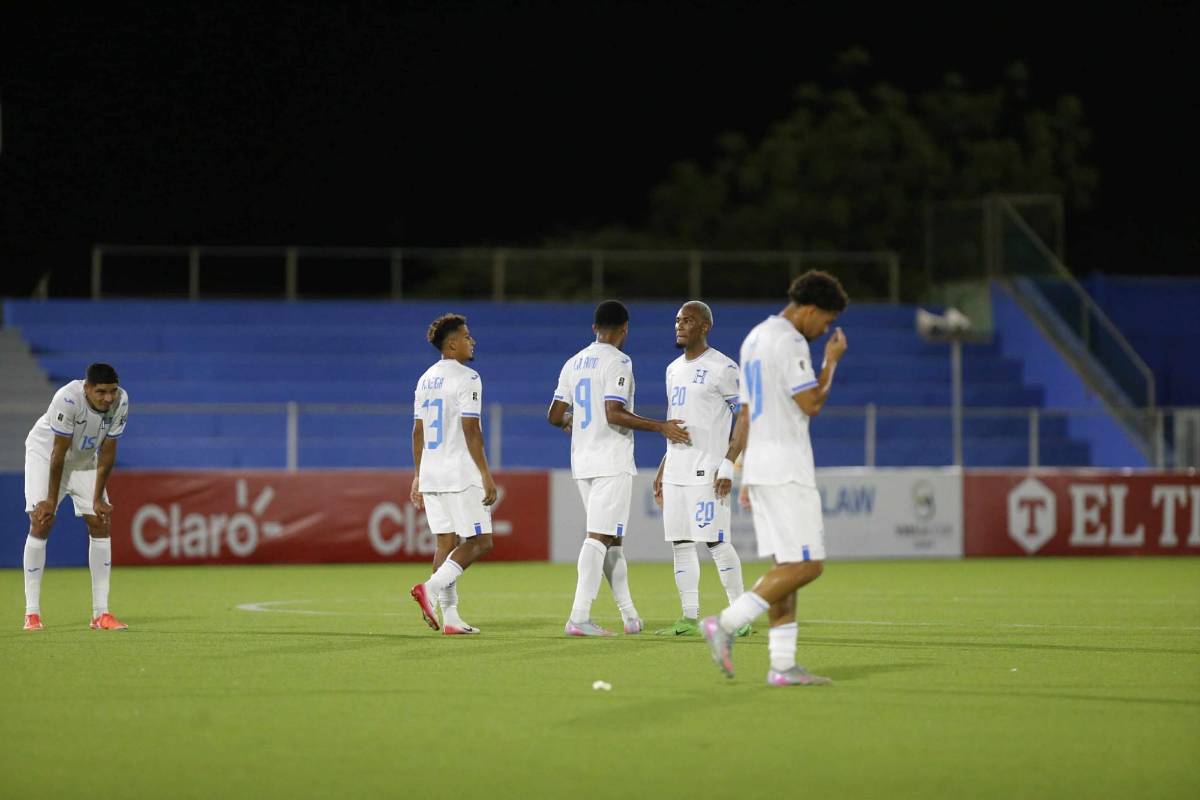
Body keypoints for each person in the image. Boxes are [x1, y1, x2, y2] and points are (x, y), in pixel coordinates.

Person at [701, 270, 848, 686]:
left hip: (762, 466)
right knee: (807, 565)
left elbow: (747, 413)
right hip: (786, 468)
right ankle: (725, 623)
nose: (825, 330)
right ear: (810, 310)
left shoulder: (754, 339)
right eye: (826, 321)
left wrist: (743, 470)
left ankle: (782, 665)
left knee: (786, 566)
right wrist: (831, 362)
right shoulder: (790, 341)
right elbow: (811, 403)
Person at [547, 299, 691, 636]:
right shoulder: (619, 361)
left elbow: (554, 415)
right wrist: (661, 426)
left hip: (582, 460)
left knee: (612, 539)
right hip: (610, 459)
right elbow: (614, 412)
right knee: (599, 537)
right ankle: (579, 617)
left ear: (594, 328)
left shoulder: (573, 362)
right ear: (625, 329)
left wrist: (572, 421)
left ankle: (630, 616)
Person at [652, 301, 752, 637]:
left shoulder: (722, 367)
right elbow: (677, 423)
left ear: (705, 326)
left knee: (715, 542)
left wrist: (728, 463)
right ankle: (688, 617)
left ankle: (740, 616)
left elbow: (746, 418)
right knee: (680, 542)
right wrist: (663, 466)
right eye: (678, 320)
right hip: (676, 470)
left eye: (688, 321)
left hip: (707, 471)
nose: (680, 326)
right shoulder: (672, 369)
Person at [22, 363, 130, 631]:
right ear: (87, 388)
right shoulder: (67, 399)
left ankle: (101, 614)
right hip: (45, 455)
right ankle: (32, 613)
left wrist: (98, 498)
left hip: (84, 460)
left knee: (100, 521)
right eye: (101, 392)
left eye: (112, 391)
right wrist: (50, 500)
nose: (108, 398)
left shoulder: (121, 401)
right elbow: (58, 454)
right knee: (42, 521)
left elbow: (108, 452)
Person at [409, 314, 497, 635]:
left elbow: (418, 432)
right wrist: (485, 474)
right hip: (460, 472)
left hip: (432, 472)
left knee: (445, 542)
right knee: (481, 541)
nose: (472, 341)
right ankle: (429, 589)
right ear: (451, 344)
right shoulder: (468, 377)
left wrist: (418, 475)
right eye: (466, 336)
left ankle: (451, 618)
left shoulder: (424, 380)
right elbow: (471, 430)